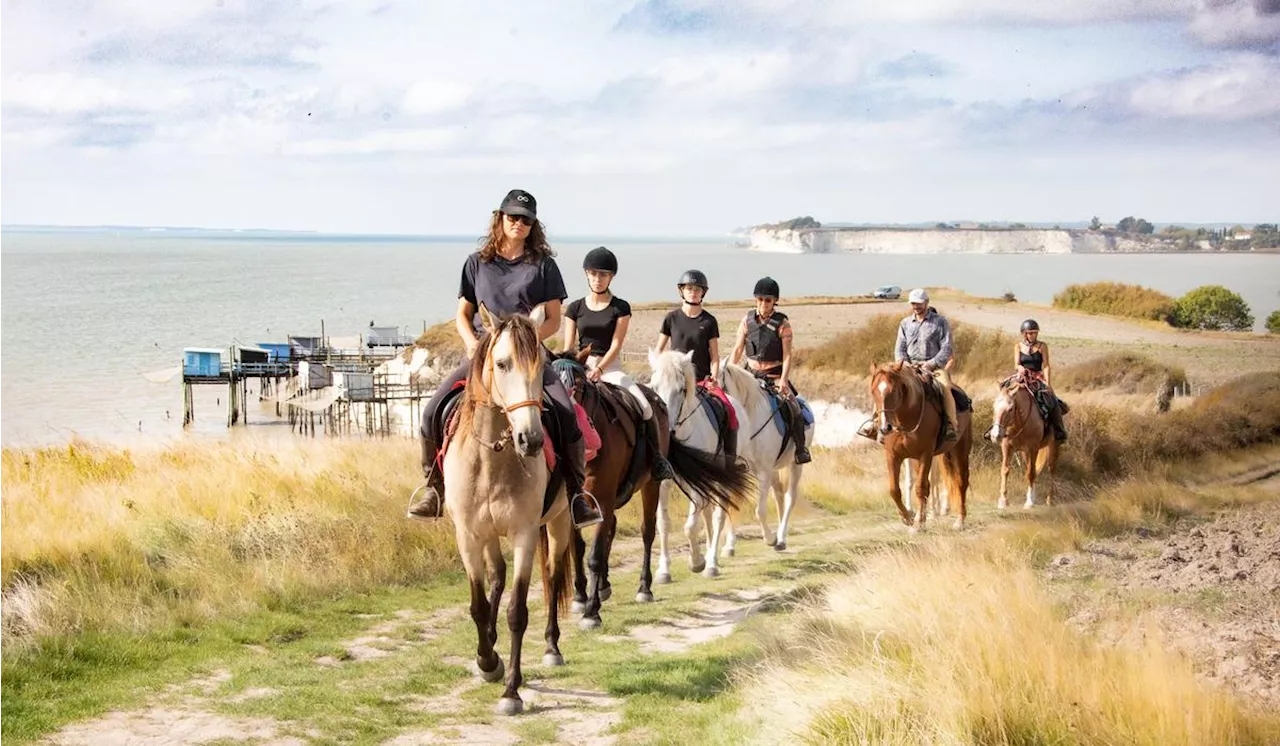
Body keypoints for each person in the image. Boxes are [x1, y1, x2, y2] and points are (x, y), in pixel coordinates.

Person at [406, 189, 603, 528]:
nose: (519, 224)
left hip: (529, 360)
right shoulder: (476, 263)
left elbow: (554, 319)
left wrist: (523, 343)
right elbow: (463, 315)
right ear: (500, 218)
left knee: (568, 415)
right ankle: (434, 488)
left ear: (533, 225)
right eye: (513, 217)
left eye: (527, 219)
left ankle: (575, 496)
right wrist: (472, 343)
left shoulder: (544, 266)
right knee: (431, 411)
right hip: (486, 357)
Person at [563, 246, 676, 482]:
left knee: (644, 405)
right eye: (593, 274)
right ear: (586, 274)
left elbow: (616, 344)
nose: (597, 279)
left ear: (611, 277)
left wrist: (600, 368)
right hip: (580, 369)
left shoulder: (620, 307)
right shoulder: (574, 308)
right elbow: (569, 347)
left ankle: (657, 459)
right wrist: (576, 368)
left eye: (603, 274)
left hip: (610, 367)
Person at [728, 276, 811, 464]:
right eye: (760, 299)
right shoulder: (746, 320)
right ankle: (730, 449)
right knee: (730, 404)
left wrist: (783, 380)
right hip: (749, 373)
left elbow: (787, 355)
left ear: (775, 301)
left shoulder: (783, 324)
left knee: (794, 406)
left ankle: (800, 449)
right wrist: (731, 371)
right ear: (755, 300)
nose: (764, 304)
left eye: (768, 300)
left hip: (773, 374)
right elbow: (738, 348)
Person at [656, 269, 736, 464]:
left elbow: (715, 357)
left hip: (701, 381)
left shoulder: (709, 321)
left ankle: (730, 460)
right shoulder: (671, 318)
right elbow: (659, 351)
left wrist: (714, 378)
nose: (693, 292)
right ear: (681, 291)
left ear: (703, 293)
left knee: (730, 411)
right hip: (675, 384)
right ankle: (653, 458)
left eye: (697, 289)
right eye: (689, 288)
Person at [892, 288, 959, 443]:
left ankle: (950, 425)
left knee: (945, 386)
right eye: (913, 303)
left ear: (927, 302)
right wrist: (905, 364)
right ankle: (876, 423)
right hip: (909, 366)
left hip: (933, 367)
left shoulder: (940, 321)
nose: (916, 306)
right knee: (887, 384)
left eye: (919, 303)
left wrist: (931, 364)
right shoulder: (905, 323)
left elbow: (946, 347)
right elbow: (899, 348)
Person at [1014, 319, 1068, 442]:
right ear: (1024, 334)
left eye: (1035, 333)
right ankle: (997, 428)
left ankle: (1059, 431)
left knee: (1052, 400)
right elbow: (1016, 364)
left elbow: (1046, 365)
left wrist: (1048, 383)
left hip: (1037, 377)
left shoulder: (1042, 346)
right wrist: (1020, 367)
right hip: (1022, 376)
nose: (1033, 335)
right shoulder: (1018, 346)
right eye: (1030, 333)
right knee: (1005, 395)